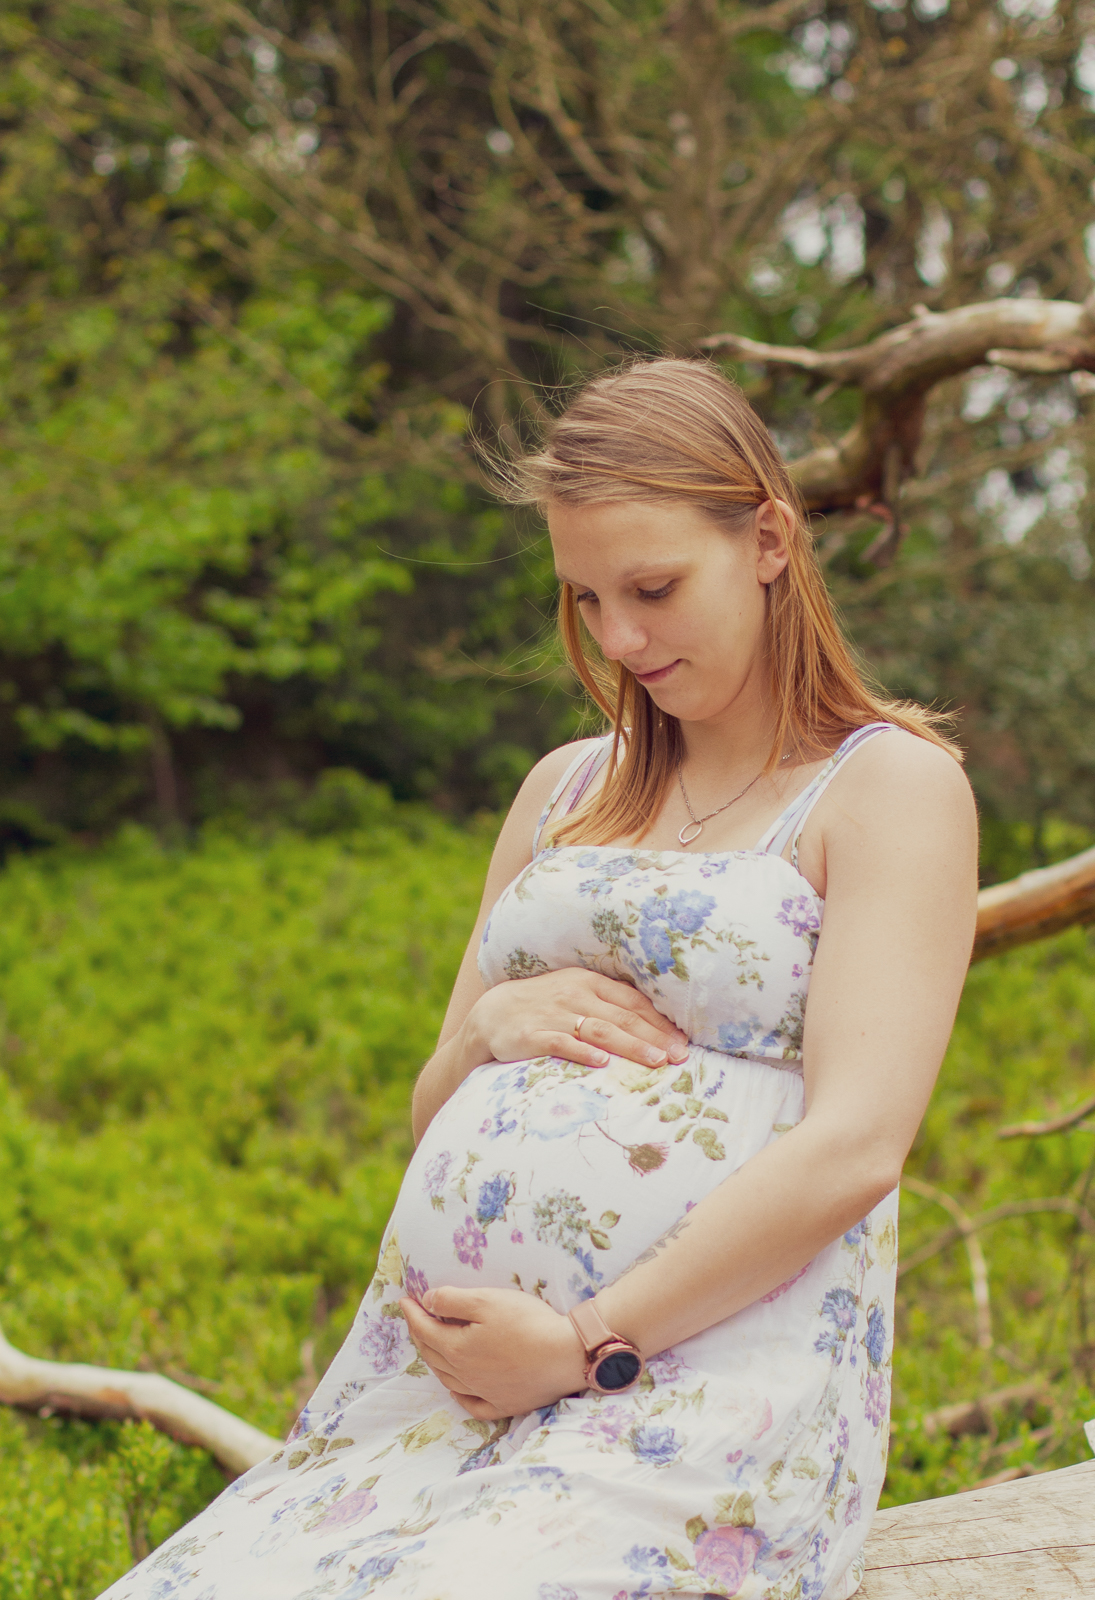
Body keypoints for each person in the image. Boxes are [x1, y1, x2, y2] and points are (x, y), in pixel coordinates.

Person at [100, 358, 978, 1600]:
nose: (618, 638)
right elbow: (429, 1108)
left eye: (655, 588)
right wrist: (489, 1031)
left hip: (687, 1399)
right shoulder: (565, 788)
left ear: (771, 538)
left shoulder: (888, 789)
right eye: (585, 596)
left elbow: (855, 1145)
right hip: (432, 1402)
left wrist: (580, 1346)